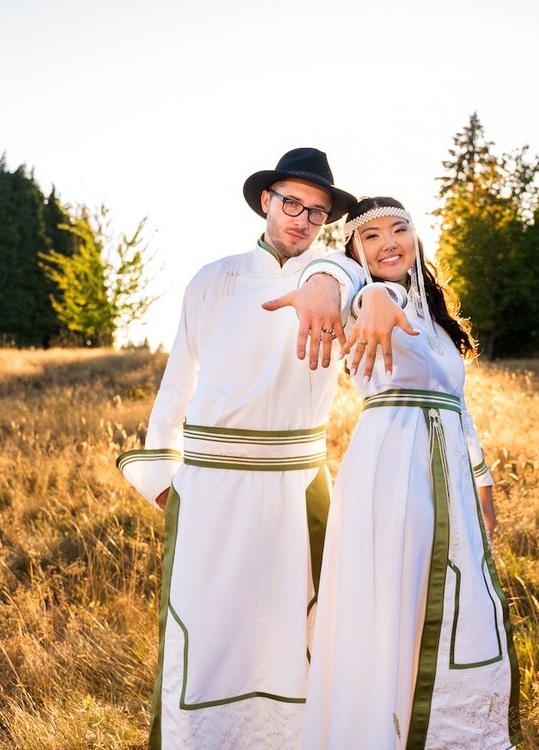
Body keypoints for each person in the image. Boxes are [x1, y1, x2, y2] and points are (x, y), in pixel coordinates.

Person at [116, 147, 368, 749]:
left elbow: (349, 274)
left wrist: (327, 279)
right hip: (211, 482)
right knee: (208, 629)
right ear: (265, 201)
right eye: (292, 204)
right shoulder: (215, 279)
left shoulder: (341, 278)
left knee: (298, 629)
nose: (303, 220)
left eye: (317, 211)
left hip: (296, 481)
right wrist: (161, 476)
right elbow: (178, 380)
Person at [298, 196, 522, 749]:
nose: (388, 243)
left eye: (399, 230)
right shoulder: (360, 300)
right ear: (356, 252)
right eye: (371, 236)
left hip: (448, 471)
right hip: (393, 468)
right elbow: (340, 281)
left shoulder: (436, 321)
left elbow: (459, 406)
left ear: (416, 238)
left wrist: (483, 480)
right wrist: (373, 293)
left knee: (445, 596)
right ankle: (386, 726)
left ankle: (443, 725)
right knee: (398, 591)